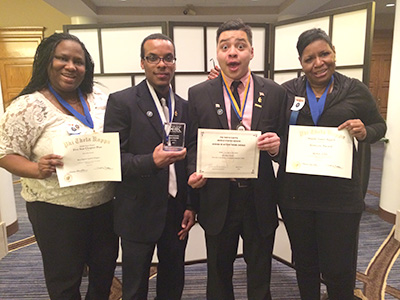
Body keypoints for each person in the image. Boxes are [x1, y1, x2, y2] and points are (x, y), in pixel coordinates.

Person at [0, 33, 119, 299]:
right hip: (55, 211)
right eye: (62, 58)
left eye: (78, 61)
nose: (71, 66)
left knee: (104, 273)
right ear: (46, 61)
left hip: (104, 207)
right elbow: (5, 153)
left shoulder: (100, 98)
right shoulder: (27, 106)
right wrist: (35, 169)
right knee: (65, 280)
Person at [278, 28, 387, 300]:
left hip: (340, 197)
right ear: (301, 63)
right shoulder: (287, 92)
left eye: (324, 54)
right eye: (309, 58)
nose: (318, 63)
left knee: (339, 267)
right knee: (305, 263)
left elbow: (379, 125)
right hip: (296, 195)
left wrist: (365, 131)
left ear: (334, 53)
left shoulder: (355, 89)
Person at [186, 19, 287, 300]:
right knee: (218, 272)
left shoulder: (276, 93)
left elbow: (287, 144)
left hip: (260, 197)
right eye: (225, 46)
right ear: (217, 53)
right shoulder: (199, 94)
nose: (233, 52)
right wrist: (193, 172)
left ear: (251, 52)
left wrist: (277, 148)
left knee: (260, 271)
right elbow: (193, 144)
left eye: (240, 46)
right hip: (218, 197)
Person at [103, 33, 196, 300]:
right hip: (137, 212)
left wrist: (191, 204)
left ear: (175, 63)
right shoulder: (122, 103)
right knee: (134, 287)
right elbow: (113, 161)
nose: (161, 64)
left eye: (168, 58)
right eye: (153, 58)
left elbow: (191, 159)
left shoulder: (185, 107)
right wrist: (150, 161)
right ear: (142, 63)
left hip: (177, 212)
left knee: (172, 281)